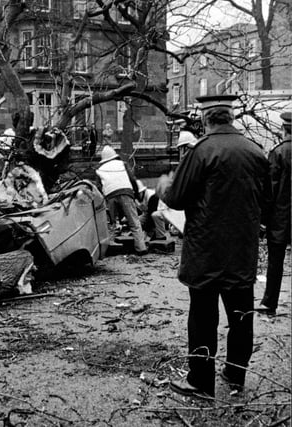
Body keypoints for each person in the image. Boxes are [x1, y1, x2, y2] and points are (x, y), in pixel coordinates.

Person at [156, 95, 270, 398]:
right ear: (230, 117)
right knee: (241, 317)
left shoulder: (202, 151)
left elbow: (177, 198)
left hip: (206, 252)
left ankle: (201, 381)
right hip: (242, 252)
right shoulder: (256, 152)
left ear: (206, 120)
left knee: (203, 317)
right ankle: (236, 375)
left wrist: (164, 186)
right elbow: (267, 203)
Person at [258, 111, 291, 316]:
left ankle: (270, 303)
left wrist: (263, 220)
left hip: (281, 217)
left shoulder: (278, 153)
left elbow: (269, 190)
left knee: (275, 262)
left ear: (283, 130)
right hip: (283, 215)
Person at [95, 145, 147, 254]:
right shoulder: (122, 164)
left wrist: (105, 200)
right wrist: (136, 195)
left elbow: (98, 187)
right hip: (126, 192)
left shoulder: (99, 170)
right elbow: (132, 179)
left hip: (110, 194)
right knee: (134, 222)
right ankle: (141, 248)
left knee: (112, 223)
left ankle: (110, 247)